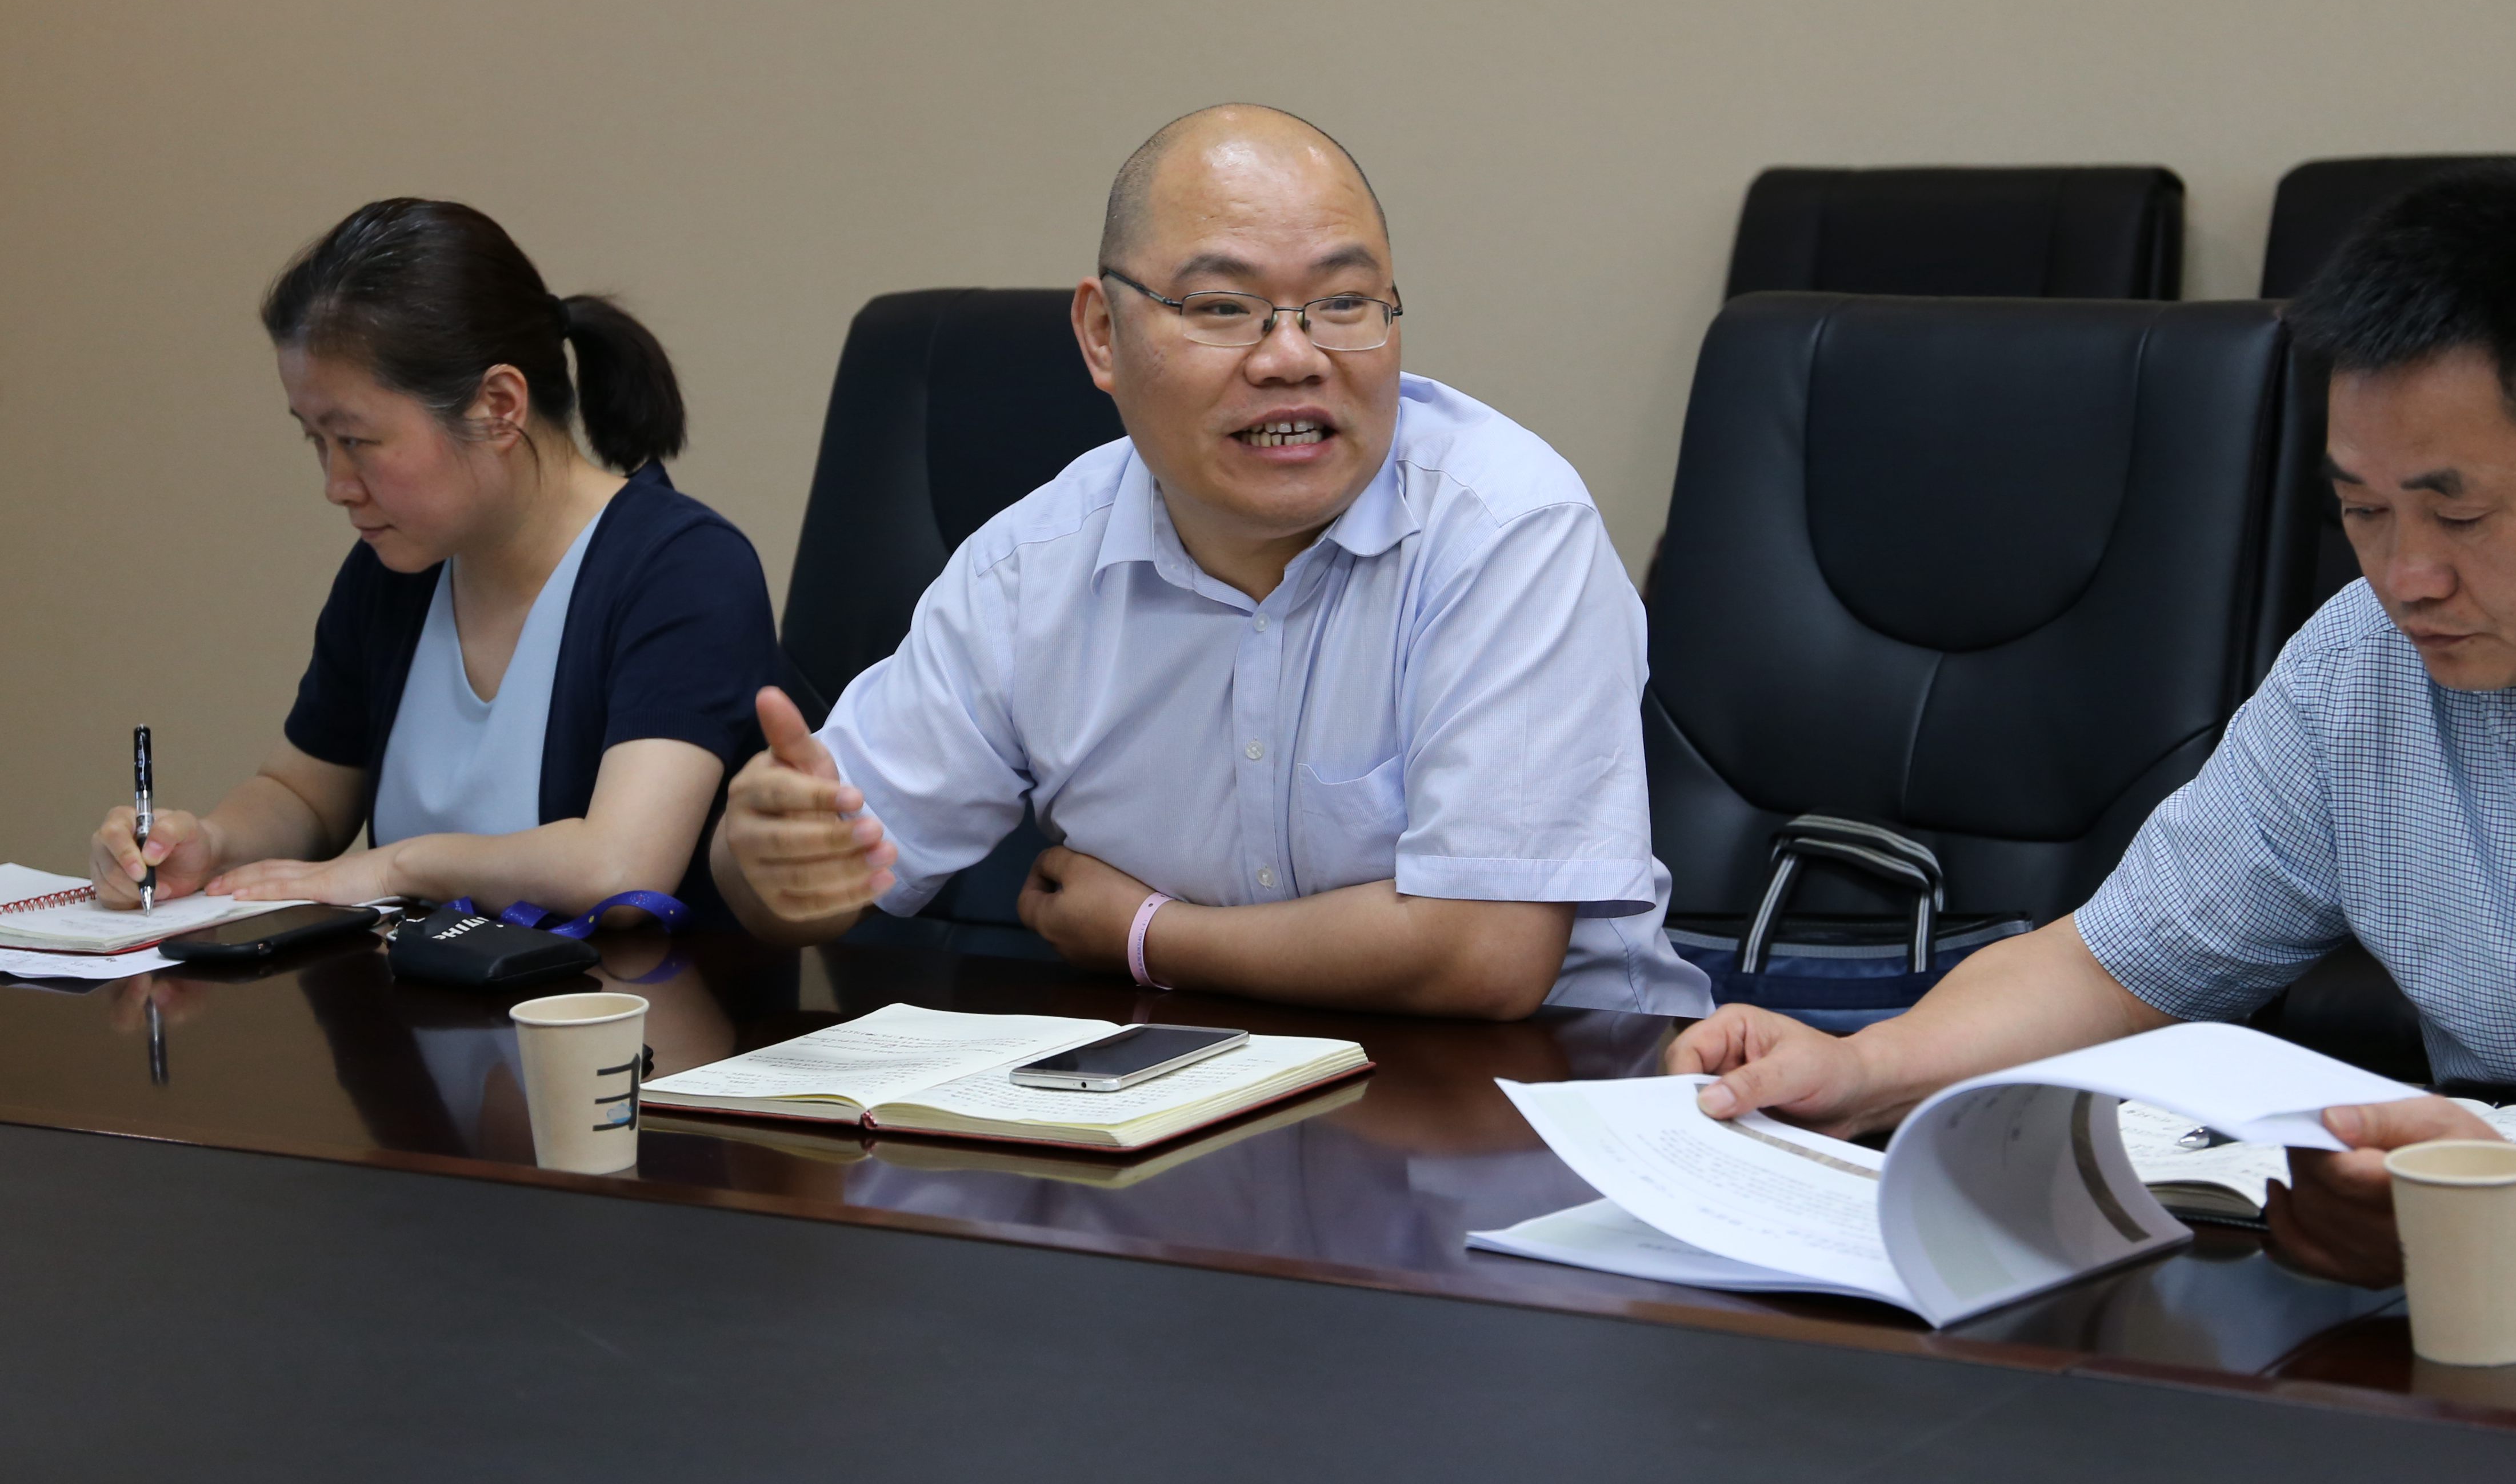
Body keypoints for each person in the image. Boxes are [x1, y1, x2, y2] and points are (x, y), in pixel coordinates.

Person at [1670, 169, 2516, 1284]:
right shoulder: (2362, 660)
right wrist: (1864, 1067)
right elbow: (2114, 963)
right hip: (2500, 1257)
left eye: (2458, 514)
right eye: (2360, 507)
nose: (2404, 574)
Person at [712, 103, 1710, 1019]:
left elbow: (1484, 956)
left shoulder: (1506, 526)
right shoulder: (1031, 567)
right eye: (1226, 307)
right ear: (1103, 336)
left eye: (1345, 302)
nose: (1293, 357)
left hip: (1546, 1093)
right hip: (1187, 1093)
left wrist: (1147, 936)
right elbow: (818, 873)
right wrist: (768, 860)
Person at [89, 199, 780, 923]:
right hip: (417, 994)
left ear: (499, 406)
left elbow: (621, 871)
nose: (335, 485)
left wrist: (396, 866)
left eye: (355, 440)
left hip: (639, 996)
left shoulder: (682, 570)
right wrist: (209, 843)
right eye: (315, 441)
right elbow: (302, 794)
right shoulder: (394, 569)